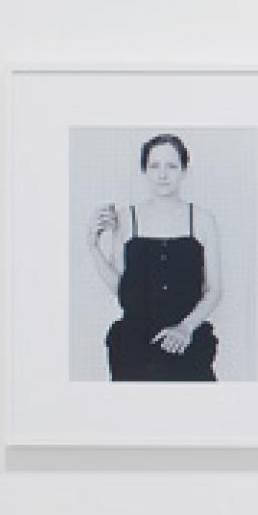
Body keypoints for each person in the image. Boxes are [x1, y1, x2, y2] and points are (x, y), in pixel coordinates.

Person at [84, 133, 221, 381]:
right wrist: (93, 246)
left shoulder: (203, 220)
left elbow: (214, 290)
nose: (163, 174)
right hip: (133, 345)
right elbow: (121, 288)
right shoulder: (126, 219)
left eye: (171, 166)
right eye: (154, 165)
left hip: (187, 343)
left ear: (184, 170)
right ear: (144, 171)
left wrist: (185, 328)